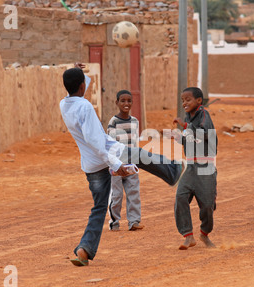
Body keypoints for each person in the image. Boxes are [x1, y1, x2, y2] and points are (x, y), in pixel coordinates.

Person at [59, 63, 187, 266]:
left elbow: (77, 89)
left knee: (99, 208)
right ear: (82, 86)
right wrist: (115, 164)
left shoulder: (64, 104)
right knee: (139, 154)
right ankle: (173, 171)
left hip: (90, 166)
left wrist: (77, 72)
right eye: (84, 83)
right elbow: (95, 141)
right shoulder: (85, 107)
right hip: (107, 154)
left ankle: (84, 251)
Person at [170, 87, 218, 250]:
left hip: (206, 168)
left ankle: (204, 234)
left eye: (188, 99)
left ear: (199, 101)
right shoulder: (188, 117)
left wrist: (185, 126)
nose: (184, 103)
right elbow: (189, 139)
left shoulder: (204, 115)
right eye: (182, 100)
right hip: (191, 166)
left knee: (207, 205)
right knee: (181, 197)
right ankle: (188, 236)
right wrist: (179, 138)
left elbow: (204, 134)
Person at [107, 90, 142, 231]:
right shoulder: (113, 122)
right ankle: (114, 222)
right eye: (123, 101)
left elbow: (135, 142)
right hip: (116, 164)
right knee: (117, 195)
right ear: (117, 103)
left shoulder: (135, 121)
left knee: (134, 192)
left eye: (129, 101)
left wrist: (137, 159)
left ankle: (134, 222)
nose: (126, 104)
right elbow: (110, 144)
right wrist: (113, 163)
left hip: (131, 163)